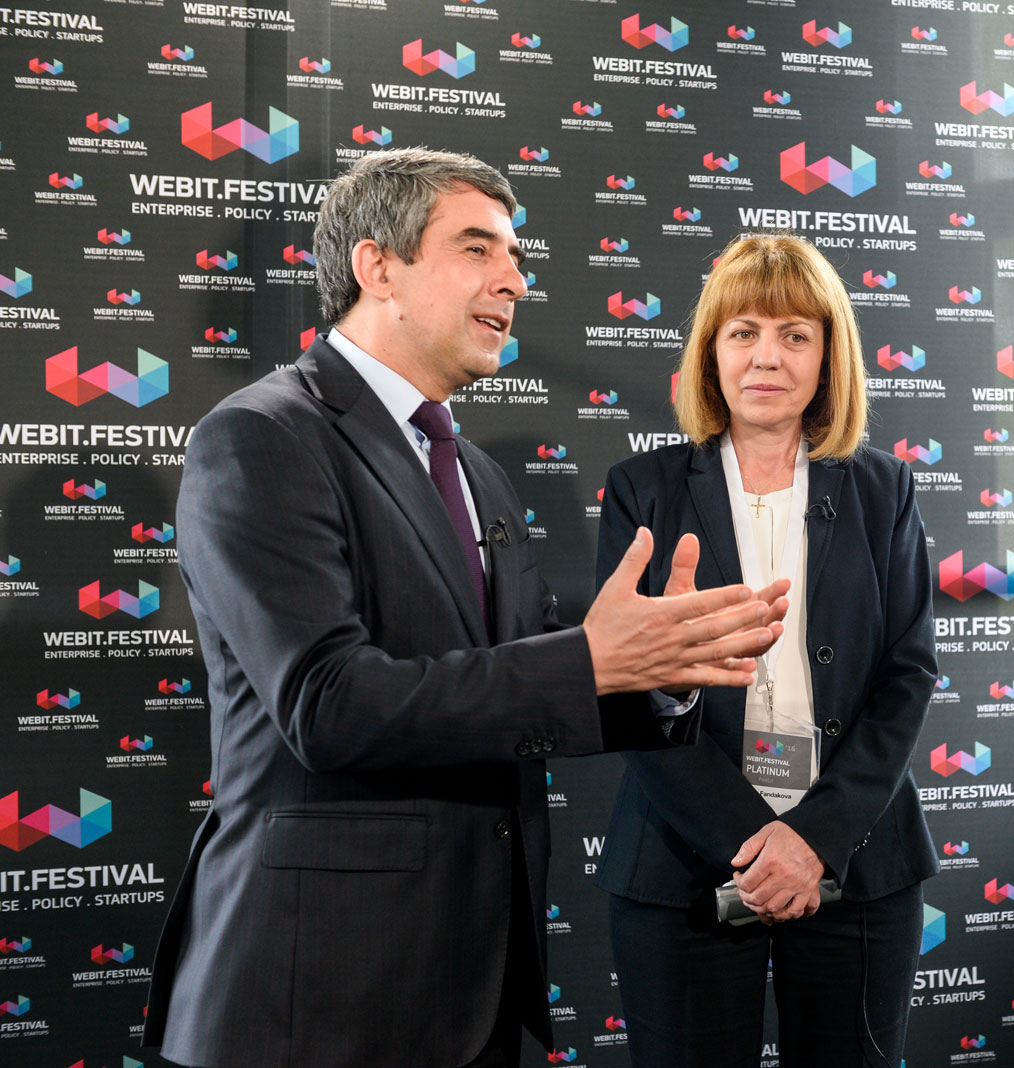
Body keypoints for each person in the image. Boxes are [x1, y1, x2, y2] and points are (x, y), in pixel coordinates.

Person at [142, 149, 786, 1068]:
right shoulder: (261, 437)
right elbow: (327, 704)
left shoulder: (476, 473)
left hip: (474, 988)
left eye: (515, 257)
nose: (515, 281)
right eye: (478, 249)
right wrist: (592, 659)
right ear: (378, 269)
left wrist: (656, 679)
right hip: (314, 995)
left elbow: (518, 688)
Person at [593, 232, 939, 1066]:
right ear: (711, 352)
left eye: (795, 335)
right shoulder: (644, 488)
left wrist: (813, 839)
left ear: (829, 356)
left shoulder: (883, 488)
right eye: (743, 331)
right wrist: (755, 842)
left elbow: (908, 672)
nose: (767, 357)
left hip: (856, 863)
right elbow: (625, 687)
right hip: (682, 861)